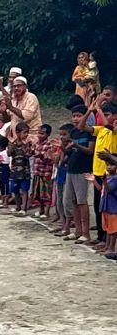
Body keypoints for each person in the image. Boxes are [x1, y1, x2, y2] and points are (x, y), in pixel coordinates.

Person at [62, 108, 96, 244]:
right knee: (73, 200)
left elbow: (90, 151)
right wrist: (63, 145)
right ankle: (78, 231)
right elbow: (69, 152)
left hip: (83, 169)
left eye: (79, 116)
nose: (76, 118)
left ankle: (86, 233)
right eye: (74, 116)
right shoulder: (74, 132)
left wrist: (76, 145)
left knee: (82, 201)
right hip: (71, 168)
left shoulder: (90, 133)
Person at [90, 102, 117, 244]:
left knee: (111, 210)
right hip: (100, 171)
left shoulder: (114, 129)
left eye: (107, 115)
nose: (103, 117)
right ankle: (102, 238)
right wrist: (90, 111)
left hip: (112, 172)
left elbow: (109, 126)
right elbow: (82, 127)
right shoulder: (101, 129)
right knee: (99, 207)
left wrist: (98, 109)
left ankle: (109, 242)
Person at [31, 125, 57, 220]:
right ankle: (41, 209)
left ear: (48, 134)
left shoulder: (49, 145)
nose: (40, 135)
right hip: (37, 171)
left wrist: (41, 156)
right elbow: (31, 153)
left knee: (46, 192)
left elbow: (50, 158)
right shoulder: (36, 143)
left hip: (46, 172)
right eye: (39, 133)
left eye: (42, 134)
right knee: (38, 192)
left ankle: (47, 212)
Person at [6, 123, 33, 214]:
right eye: (24, 132)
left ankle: (24, 207)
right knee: (15, 189)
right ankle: (18, 206)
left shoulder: (28, 143)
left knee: (24, 190)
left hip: (25, 171)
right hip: (15, 171)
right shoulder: (13, 143)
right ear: (17, 133)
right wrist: (10, 144)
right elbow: (9, 153)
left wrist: (25, 145)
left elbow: (28, 154)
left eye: (27, 133)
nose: (26, 135)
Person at [4, 77, 41, 141]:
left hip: (30, 136)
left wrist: (11, 107)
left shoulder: (31, 97)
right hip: (16, 137)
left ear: (25, 86)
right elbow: (9, 118)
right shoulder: (13, 99)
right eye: (14, 86)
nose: (16, 88)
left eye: (19, 86)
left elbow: (27, 116)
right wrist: (3, 112)